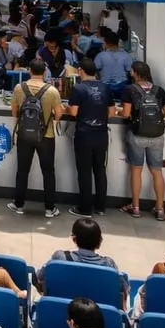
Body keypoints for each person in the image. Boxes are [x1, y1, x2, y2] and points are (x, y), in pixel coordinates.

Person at [7, 59, 64, 217]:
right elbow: (59, 114)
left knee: (23, 170)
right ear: (45, 72)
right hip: (46, 136)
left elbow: (14, 111)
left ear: (29, 71)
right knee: (48, 171)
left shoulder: (19, 88)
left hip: (24, 135)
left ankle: (18, 205)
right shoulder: (52, 91)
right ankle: (49, 208)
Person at [119, 61, 165, 220]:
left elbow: (126, 114)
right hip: (156, 136)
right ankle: (160, 209)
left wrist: (120, 111)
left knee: (136, 170)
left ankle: (135, 207)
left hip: (137, 135)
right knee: (157, 171)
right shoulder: (159, 90)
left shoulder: (130, 90)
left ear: (135, 73)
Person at [35, 218, 128, 306]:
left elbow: (39, 278)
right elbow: (122, 290)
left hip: (57, 311)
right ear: (100, 241)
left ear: (74, 239)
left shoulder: (59, 258)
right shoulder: (109, 265)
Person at [66, 57, 112, 217]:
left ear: (80, 71)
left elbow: (73, 112)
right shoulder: (106, 88)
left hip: (84, 134)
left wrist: (66, 107)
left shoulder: (78, 88)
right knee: (100, 169)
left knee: (84, 171)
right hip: (102, 134)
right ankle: (100, 207)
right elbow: (112, 112)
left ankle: (85, 208)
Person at [94, 30, 133, 100]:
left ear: (105, 43)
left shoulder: (100, 56)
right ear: (118, 42)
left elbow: (95, 71)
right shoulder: (126, 55)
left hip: (105, 87)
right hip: (122, 87)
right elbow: (130, 72)